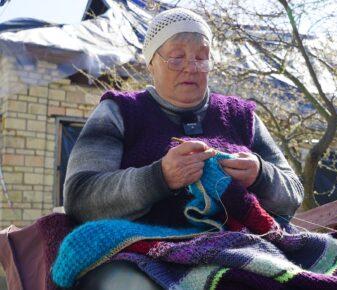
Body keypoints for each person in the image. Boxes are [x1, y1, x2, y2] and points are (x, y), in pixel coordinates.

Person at [63, 7, 303, 290]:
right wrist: (159, 178)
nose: (191, 67)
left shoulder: (242, 117)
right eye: (177, 57)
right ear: (151, 63)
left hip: (242, 253)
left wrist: (260, 175)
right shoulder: (119, 112)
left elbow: (293, 193)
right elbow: (80, 197)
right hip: (140, 257)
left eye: (202, 58)